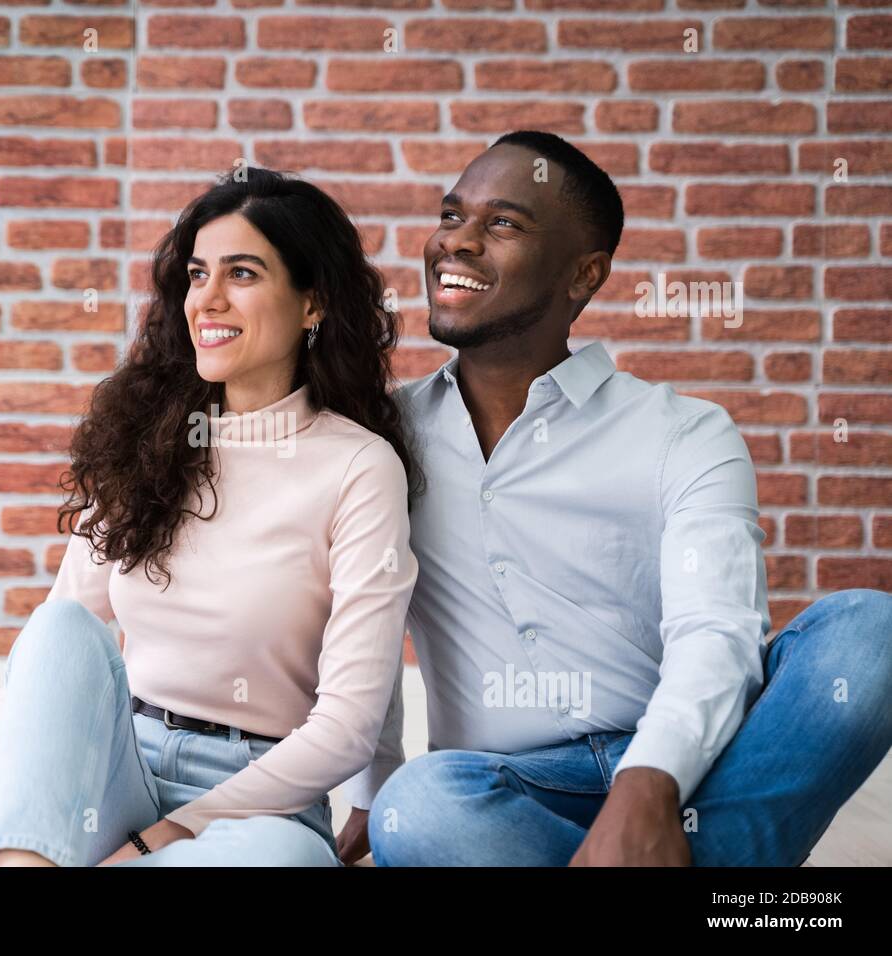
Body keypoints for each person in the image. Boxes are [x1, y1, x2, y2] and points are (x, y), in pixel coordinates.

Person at [338, 129, 892, 867]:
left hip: (697, 772)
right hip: (511, 787)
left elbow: (716, 633)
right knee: (420, 809)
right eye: (450, 216)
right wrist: (373, 792)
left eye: (501, 223)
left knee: (870, 631)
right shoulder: (386, 440)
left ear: (584, 275)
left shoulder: (683, 432)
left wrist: (648, 783)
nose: (458, 242)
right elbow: (361, 627)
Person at [0, 166, 420, 867]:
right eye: (197, 274)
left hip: (260, 797)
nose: (207, 299)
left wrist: (164, 836)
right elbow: (53, 653)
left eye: (242, 273)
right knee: (60, 627)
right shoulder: (144, 439)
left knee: (282, 864)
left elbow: (349, 725)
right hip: (117, 767)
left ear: (312, 305)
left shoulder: (358, 467)